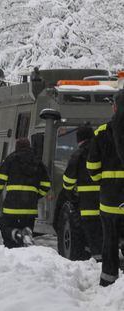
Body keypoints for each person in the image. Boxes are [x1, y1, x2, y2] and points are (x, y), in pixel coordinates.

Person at [87, 89, 124, 287]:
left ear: (116, 107)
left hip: (110, 200)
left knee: (109, 241)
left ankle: (109, 281)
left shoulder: (102, 132)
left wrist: (103, 181)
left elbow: (92, 166)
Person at [0, 138, 51, 248]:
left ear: (17, 147)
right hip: (30, 208)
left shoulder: (10, 159)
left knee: (5, 227)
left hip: (11, 206)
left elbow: (0, 180)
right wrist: (37, 196)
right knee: (27, 225)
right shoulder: (38, 162)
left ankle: (16, 234)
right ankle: (26, 233)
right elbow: (47, 184)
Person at [62, 126, 102, 260]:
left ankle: (98, 263)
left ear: (80, 140)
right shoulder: (104, 150)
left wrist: (70, 195)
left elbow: (68, 180)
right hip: (109, 204)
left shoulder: (79, 154)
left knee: (93, 236)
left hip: (88, 206)